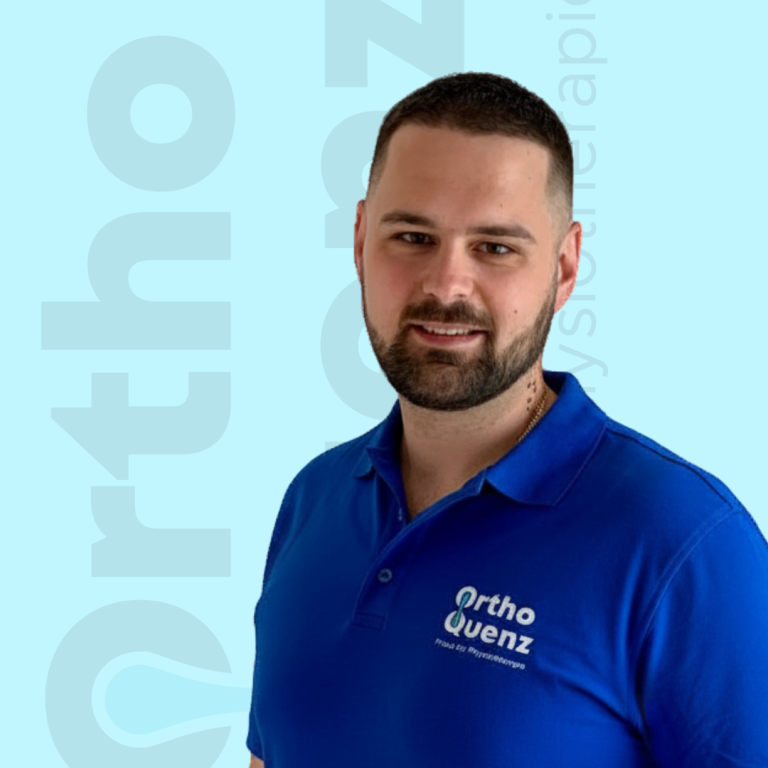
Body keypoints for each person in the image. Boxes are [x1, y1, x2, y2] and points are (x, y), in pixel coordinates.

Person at [246, 72, 768, 767]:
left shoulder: (682, 543)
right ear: (361, 240)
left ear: (564, 268)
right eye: (412, 236)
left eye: (495, 247)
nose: (446, 285)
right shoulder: (314, 499)